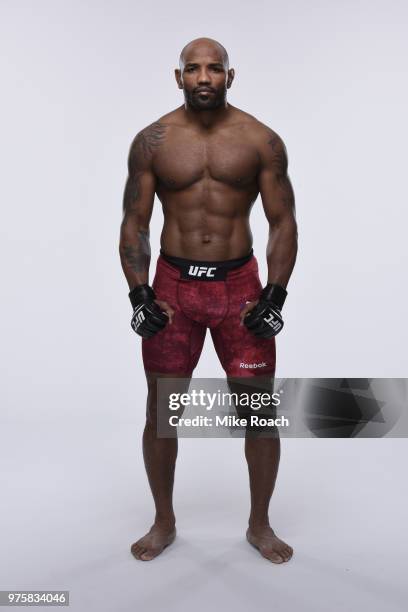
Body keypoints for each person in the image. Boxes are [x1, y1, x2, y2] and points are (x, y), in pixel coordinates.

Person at [119, 37, 298, 563]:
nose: (203, 77)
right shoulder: (152, 141)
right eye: (192, 69)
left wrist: (276, 295)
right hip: (172, 290)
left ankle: (260, 525)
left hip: (240, 290)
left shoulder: (260, 141)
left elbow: (282, 220)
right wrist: (139, 294)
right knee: (161, 410)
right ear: (178, 77)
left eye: (213, 69)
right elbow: (135, 222)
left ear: (230, 75)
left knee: (259, 412)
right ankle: (164, 521)